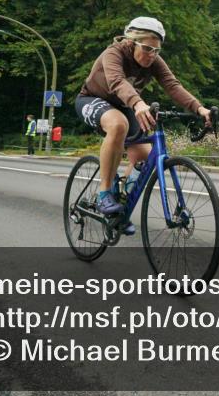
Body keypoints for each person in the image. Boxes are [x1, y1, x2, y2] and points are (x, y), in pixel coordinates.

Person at [75, 16, 211, 235]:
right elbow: (117, 82)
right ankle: (104, 193)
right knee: (118, 124)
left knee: (146, 156)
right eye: (147, 48)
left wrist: (199, 108)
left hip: (126, 105)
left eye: (156, 50)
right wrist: (138, 103)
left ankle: (121, 207)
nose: (152, 55)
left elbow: (172, 85)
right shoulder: (114, 53)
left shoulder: (154, 60)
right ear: (132, 41)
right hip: (92, 99)